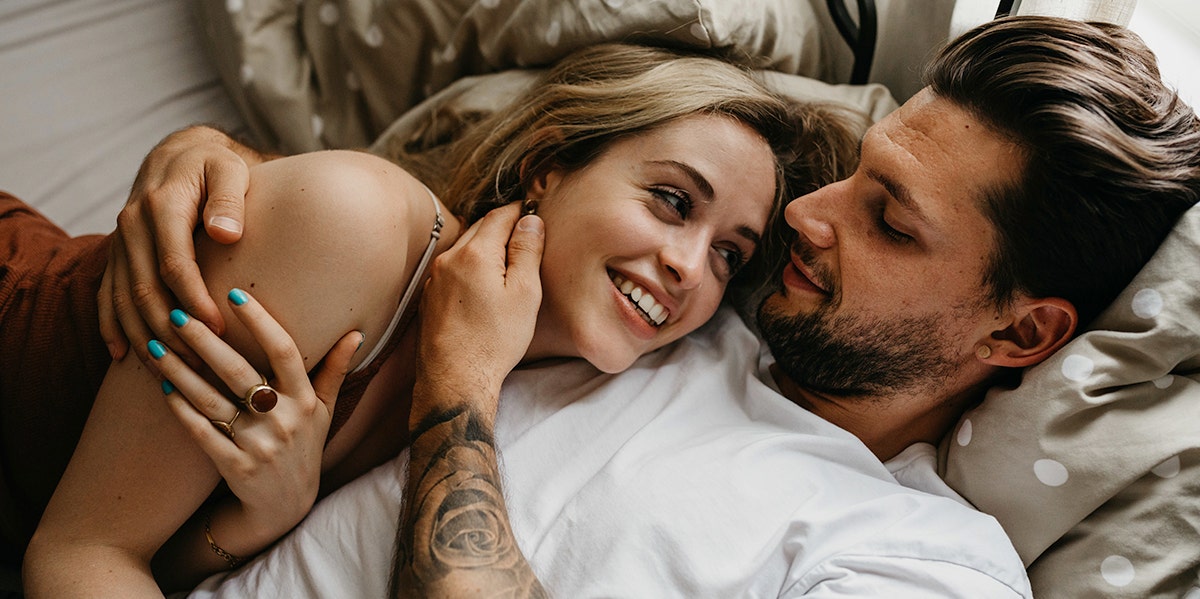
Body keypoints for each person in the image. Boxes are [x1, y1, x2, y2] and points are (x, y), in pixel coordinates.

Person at [124, 16, 1199, 597]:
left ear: (1020, 331)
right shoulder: (688, 302)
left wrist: (461, 388)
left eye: (891, 219)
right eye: (854, 172)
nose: (812, 217)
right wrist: (211, 164)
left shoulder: (918, 563)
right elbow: (443, 205)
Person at [8, 44, 858, 597]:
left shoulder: (537, 388)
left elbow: (144, 550)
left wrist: (258, 521)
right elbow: (79, 555)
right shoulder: (360, 226)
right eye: (672, 201)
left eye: (729, 256)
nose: (689, 267)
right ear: (547, 169)